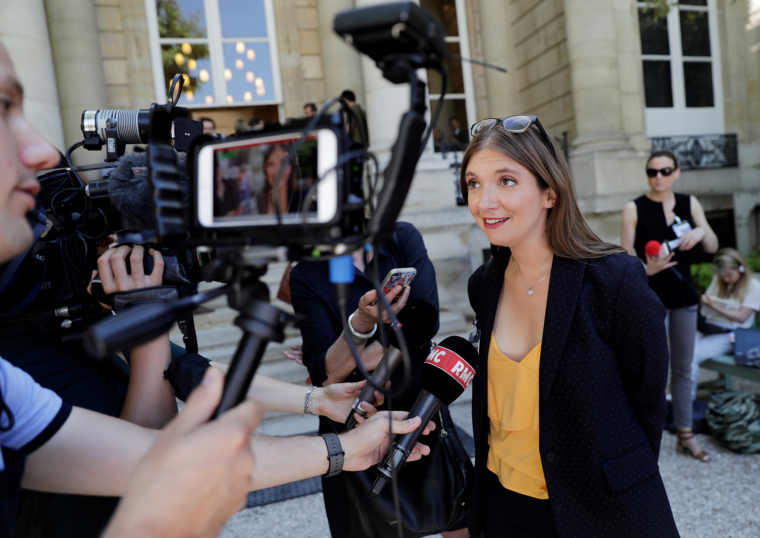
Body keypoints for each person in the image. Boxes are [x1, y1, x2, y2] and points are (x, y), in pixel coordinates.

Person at [0, 39, 435, 536]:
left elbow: (189, 371)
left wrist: (319, 402)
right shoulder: (21, 348)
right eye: (3, 111)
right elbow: (153, 470)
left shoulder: (74, 296)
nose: (35, 146)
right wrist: (146, 324)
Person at [463, 115, 678, 538]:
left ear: (549, 193)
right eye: (473, 183)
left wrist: (620, 478)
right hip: (503, 506)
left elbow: (649, 399)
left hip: (599, 509)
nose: (484, 202)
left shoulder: (614, 280)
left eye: (506, 180)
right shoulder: (484, 285)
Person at [288, 223, 469, 538]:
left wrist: (350, 345)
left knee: (455, 511)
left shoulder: (401, 237)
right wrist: (371, 327)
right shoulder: (306, 272)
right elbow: (326, 372)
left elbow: (425, 319)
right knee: (366, 522)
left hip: (421, 402)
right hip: (353, 412)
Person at [621, 150, 718, 463]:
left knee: (684, 368)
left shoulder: (690, 204)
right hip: (650, 300)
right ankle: (644, 440)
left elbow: (714, 246)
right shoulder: (633, 208)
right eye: (652, 172)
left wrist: (701, 231)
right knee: (652, 371)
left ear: (676, 173)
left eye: (665, 171)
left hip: (684, 297)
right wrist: (646, 270)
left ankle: (686, 435)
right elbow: (623, 259)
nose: (658, 177)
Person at [692, 248, 760, 396]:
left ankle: (686, 397)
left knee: (692, 355)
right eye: (722, 276)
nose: (725, 280)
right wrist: (706, 302)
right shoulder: (719, 280)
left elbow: (742, 317)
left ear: (740, 269)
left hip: (733, 332)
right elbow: (706, 309)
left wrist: (714, 306)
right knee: (684, 350)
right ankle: (682, 396)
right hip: (710, 326)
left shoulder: (754, 285)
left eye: (729, 275)